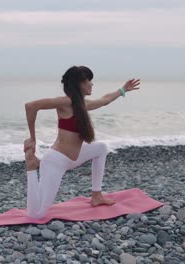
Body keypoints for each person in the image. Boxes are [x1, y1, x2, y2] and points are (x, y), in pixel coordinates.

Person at [23, 65, 140, 219]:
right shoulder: (65, 102)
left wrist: (123, 90)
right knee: (36, 215)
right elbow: (31, 106)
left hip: (74, 157)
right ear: (78, 83)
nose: (91, 84)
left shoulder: (83, 105)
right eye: (88, 81)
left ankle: (96, 195)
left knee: (100, 148)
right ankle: (31, 166)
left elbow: (105, 100)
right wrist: (33, 138)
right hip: (56, 161)